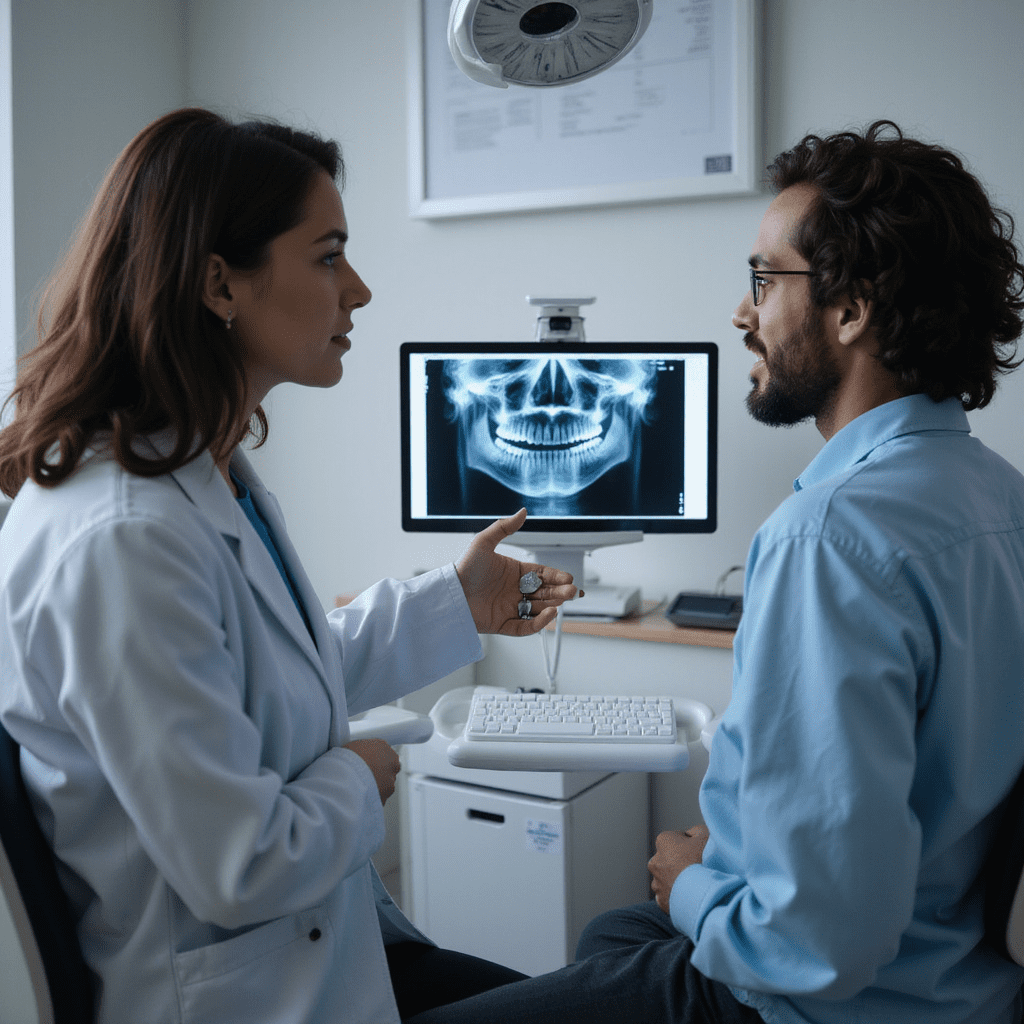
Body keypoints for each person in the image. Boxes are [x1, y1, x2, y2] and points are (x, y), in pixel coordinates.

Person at [402, 122, 1024, 1024]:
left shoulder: (829, 539)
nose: (742, 313)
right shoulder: (999, 494)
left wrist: (692, 878)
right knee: (614, 933)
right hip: (956, 972)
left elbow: (812, 947)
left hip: (819, 1004)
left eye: (764, 281)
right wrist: (724, 856)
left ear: (852, 310)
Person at [0, 107, 580, 1024]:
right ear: (219, 283)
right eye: (329, 257)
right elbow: (239, 866)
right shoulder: (121, 537)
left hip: (323, 955)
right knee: (655, 985)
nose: (360, 290)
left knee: (622, 969)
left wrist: (454, 602)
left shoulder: (203, 473)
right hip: (242, 996)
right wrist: (360, 774)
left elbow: (268, 678)